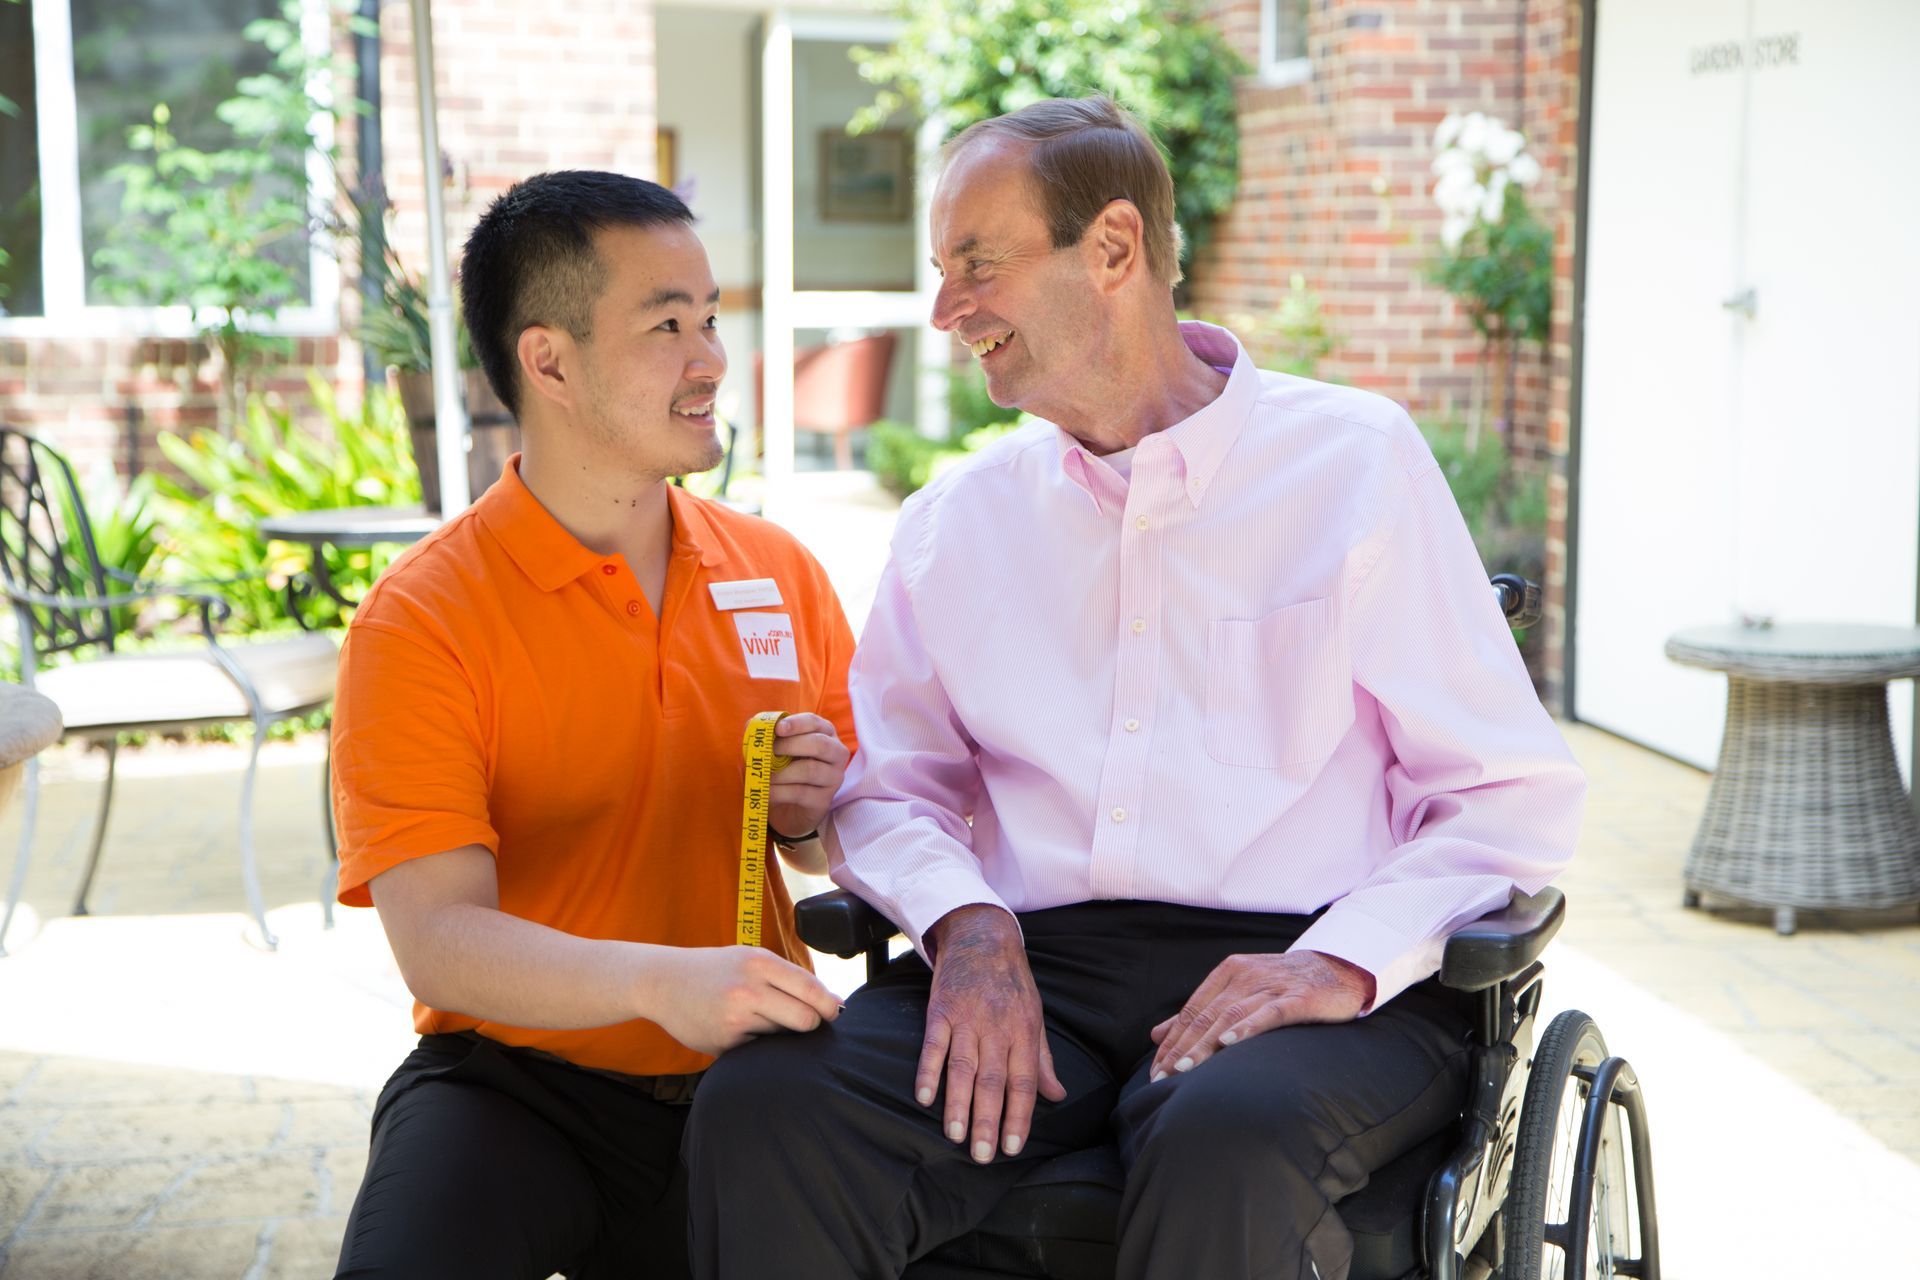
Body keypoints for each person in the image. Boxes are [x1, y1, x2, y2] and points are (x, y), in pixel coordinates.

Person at [682, 97, 1585, 1280]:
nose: (947, 310)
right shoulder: (957, 523)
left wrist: (1339, 958)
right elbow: (888, 787)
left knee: (1226, 1136)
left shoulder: (1354, 465)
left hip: (1314, 965)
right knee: (769, 1104)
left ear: (1112, 249)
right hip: (1038, 962)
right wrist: (965, 922)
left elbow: (1504, 796)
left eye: (976, 265)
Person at [330, 170, 855, 1280]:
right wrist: (658, 981)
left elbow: (836, 845)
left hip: (753, 1086)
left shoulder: (779, 571)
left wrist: (817, 817)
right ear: (550, 359)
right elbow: (439, 940)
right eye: (668, 324)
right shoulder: (421, 619)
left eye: (711, 317)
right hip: (514, 1086)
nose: (712, 356)